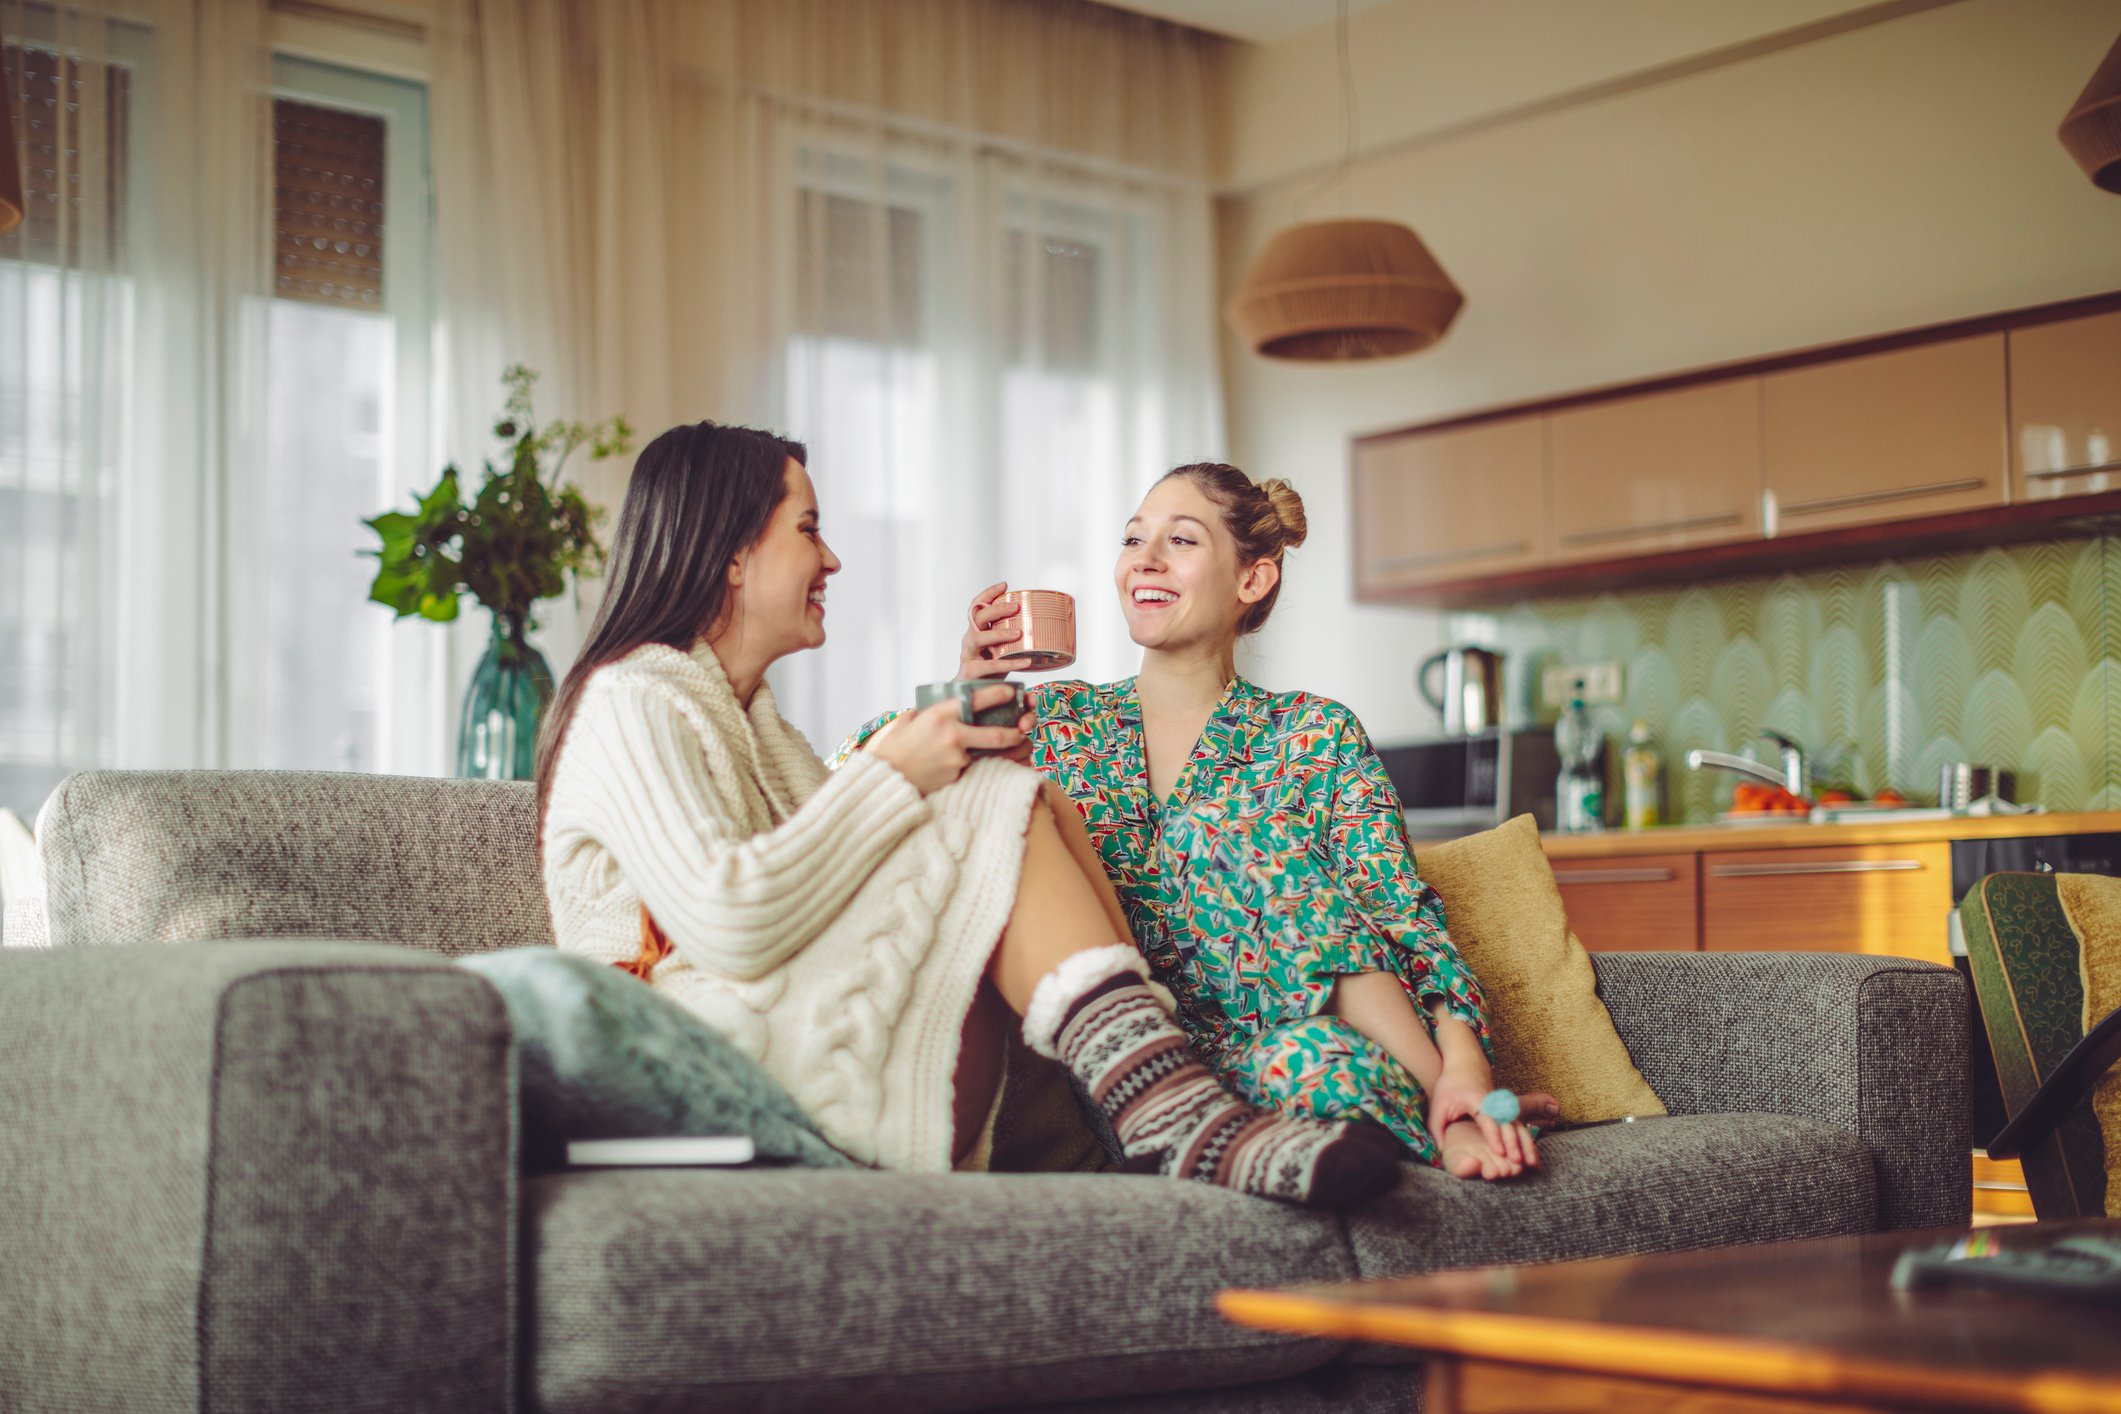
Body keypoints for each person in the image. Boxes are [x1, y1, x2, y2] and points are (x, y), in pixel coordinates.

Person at [534, 424, 1403, 1206]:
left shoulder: (758, 727)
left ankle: (1163, 1102)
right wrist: (905, 761)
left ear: (1254, 579)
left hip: (803, 1039)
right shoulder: (629, 700)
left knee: (1013, 790)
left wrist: (961, 714)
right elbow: (735, 918)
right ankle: (1166, 1107)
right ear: (732, 554)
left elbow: (862, 869)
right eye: (807, 528)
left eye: (1178, 540)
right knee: (998, 796)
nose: (830, 560)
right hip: (706, 1080)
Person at [841, 464, 1551, 1181]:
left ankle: (1449, 1105)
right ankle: (1446, 1116)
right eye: (1132, 539)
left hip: (1265, 1060)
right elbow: (857, 773)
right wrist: (967, 695)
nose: (1143, 560)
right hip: (1116, 1070)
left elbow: (1401, 913)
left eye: (1179, 540)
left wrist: (1466, 1067)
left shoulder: (1313, 733)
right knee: (1207, 827)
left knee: (1319, 1059)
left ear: (1252, 579)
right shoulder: (1052, 721)